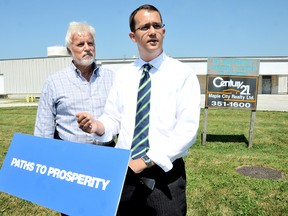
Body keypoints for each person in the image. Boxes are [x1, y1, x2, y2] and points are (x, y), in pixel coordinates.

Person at [77, 4, 201, 216]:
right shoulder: (124, 75)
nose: (152, 31)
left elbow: (187, 131)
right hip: (125, 175)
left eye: (157, 25)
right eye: (144, 27)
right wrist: (96, 125)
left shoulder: (183, 74)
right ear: (133, 36)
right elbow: (113, 118)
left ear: (164, 31)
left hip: (165, 176)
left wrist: (145, 161)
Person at [34, 21, 115, 147]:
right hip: (69, 154)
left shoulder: (112, 78)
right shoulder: (54, 82)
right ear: (69, 50)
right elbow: (43, 131)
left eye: (90, 43)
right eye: (80, 44)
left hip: (107, 152)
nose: (87, 48)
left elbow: (123, 120)